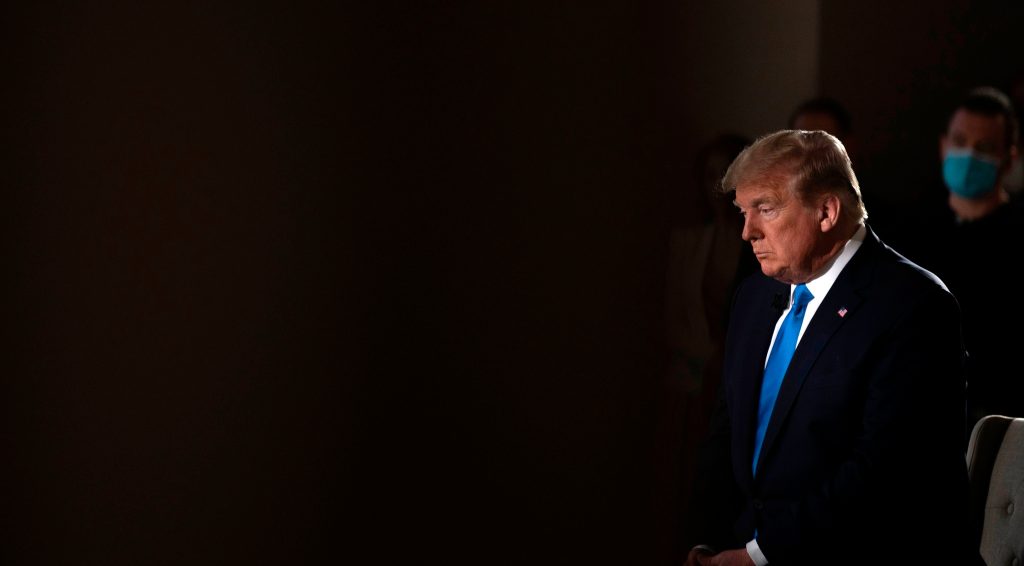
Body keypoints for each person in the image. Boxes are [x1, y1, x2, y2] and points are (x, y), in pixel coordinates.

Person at [681, 130, 979, 565]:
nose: (747, 232)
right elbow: (724, 437)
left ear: (826, 212)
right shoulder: (753, 297)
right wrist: (703, 542)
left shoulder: (915, 306)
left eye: (765, 209)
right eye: (744, 212)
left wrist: (758, 556)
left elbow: (883, 471)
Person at [922, 86, 1024, 433]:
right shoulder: (913, 230)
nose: (969, 155)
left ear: (1009, 158)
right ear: (943, 145)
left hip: (996, 417)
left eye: (985, 148)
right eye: (960, 141)